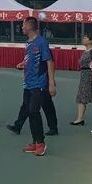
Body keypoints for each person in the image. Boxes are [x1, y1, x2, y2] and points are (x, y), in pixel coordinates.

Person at [6, 17, 55, 157]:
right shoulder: (28, 43)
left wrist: (51, 83)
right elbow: (31, 60)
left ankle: (41, 143)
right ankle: (34, 142)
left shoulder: (41, 42)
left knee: (34, 111)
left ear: (29, 26)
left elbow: (49, 62)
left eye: (23, 25)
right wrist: (23, 64)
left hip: (39, 84)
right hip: (28, 83)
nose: (22, 28)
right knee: (28, 110)